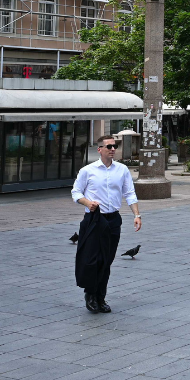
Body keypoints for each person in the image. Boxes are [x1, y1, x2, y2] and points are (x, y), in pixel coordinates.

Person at [71, 135, 141, 314]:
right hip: (94, 219)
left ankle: (101, 297)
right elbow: (76, 192)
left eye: (114, 146)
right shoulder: (88, 170)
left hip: (113, 220)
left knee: (107, 260)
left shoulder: (122, 170)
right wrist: (88, 203)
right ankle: (90, 295)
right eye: (109, 146)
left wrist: (136, 214)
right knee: (93, 259)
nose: (112, 149)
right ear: (99, 149)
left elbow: (130, 193)